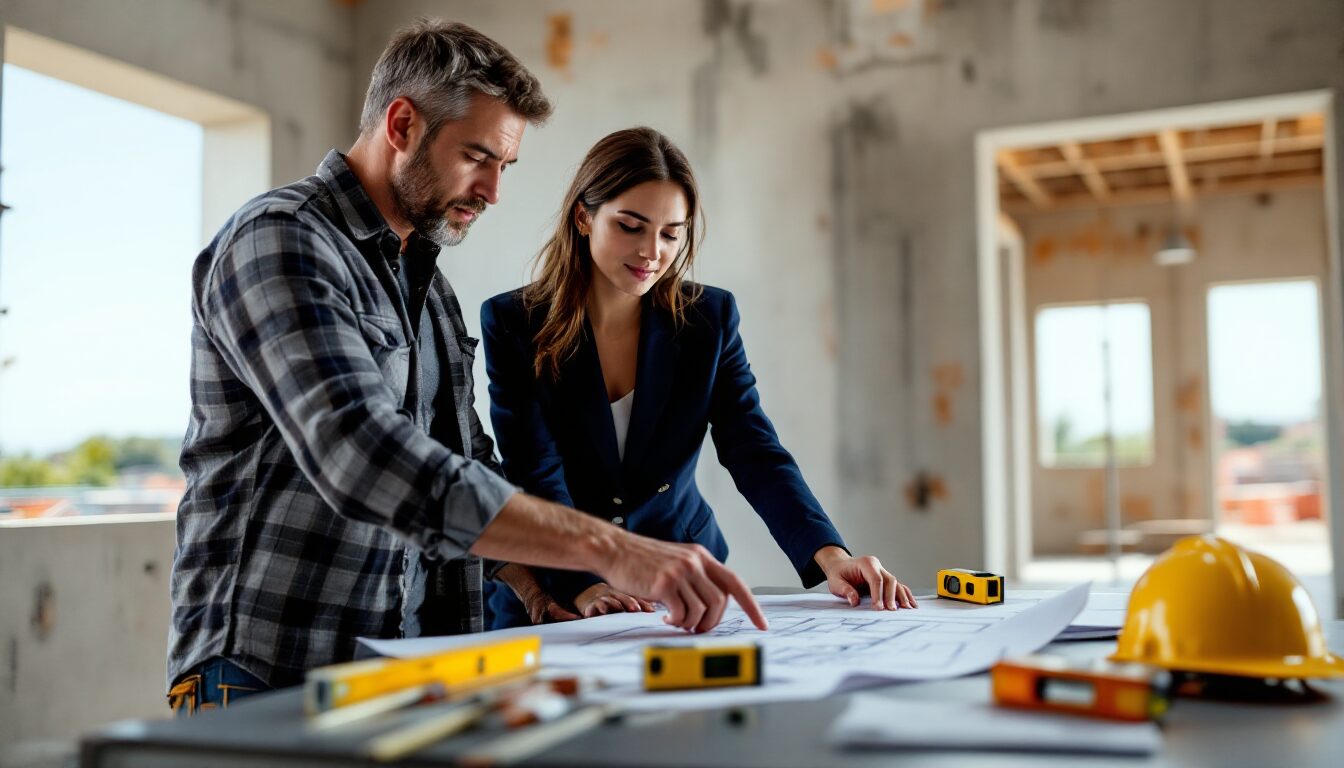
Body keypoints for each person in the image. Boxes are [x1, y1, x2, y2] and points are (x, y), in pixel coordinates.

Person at [167, 22, 765, 716]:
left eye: (505, 165)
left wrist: (541, 586)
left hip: (405, 668)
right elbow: (361, 453)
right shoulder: (281, 240)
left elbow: (464, 459)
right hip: (265, 672)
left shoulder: (428, 286)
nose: (492, 190)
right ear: (401, 125)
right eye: (477, 157)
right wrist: (612, 549)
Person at [481, 127, 918, 629]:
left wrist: (832, 556)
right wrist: (583, 583)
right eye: (630, 226)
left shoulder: (708, 319)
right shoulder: (514, 323)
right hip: (556, 585)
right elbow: (535, 470)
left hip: (684, 581)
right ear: (583, 217)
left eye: (671, 233)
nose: (652, 252)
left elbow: (753, 449)